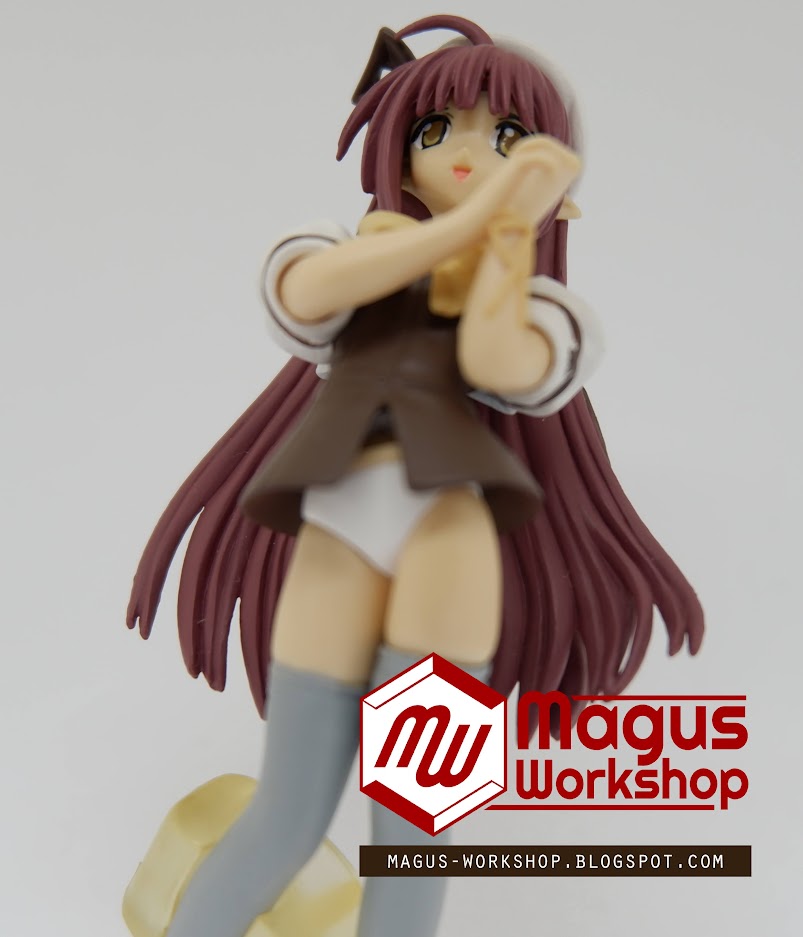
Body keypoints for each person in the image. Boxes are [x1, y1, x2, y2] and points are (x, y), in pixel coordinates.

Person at [127, 15, 704, 937]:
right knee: (286, 814)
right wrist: (471, 223)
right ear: (396, 149)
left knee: (415, 837)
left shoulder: (543, 307)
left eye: (507, 137)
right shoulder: (341, 251)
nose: (469, 155)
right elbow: (309, 292)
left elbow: (496, 361)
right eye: (438, 130)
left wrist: (504, 241)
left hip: (450, 547)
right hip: (336, 535)